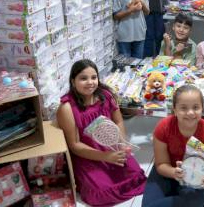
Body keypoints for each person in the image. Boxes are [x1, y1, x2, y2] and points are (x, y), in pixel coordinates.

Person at [57, 59, 146, 206]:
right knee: (100, 191)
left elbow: (118, 121)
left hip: (111, 146)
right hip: (87, 155)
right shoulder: (66, 108)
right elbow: (74, 145)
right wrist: (106, 156)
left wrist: (121, 144)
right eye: (83, 78)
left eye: (94, 77)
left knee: (135, 174)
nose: (90, 82)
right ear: (73, 81)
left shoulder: (106, 95)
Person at [141, 85, 204, 207]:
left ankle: (202, 196)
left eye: (196, 107)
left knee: (194, 202)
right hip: (166, 171)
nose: (190, 113)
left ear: (202, 108)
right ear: (174, 110)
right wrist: (174, 172)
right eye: (183, 108)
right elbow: (161, 165)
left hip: (194, 176)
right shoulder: (163, 127)